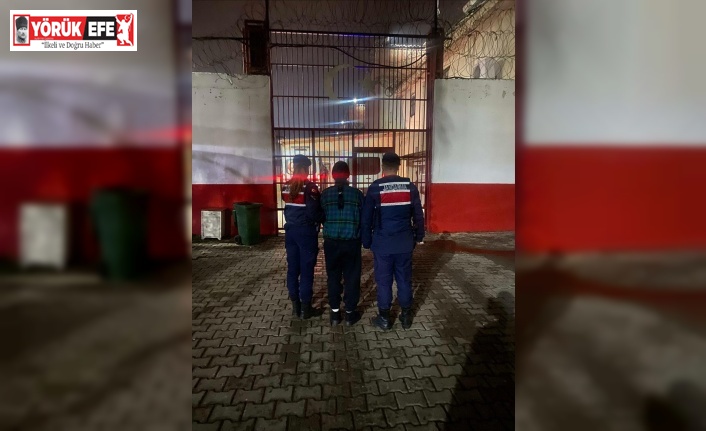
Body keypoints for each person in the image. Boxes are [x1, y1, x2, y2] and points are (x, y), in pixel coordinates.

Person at [361, 152, 425, 330]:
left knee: (384, 281)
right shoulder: (410, 187)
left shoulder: (375, 187)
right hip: (404, 242)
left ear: (383, 166)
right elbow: (418, 215)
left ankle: (384, 318)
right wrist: (419, 236)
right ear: (398, 166)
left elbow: (366, 218)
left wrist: (366, 241)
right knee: (404, 279)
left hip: (382, 243)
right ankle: (406, 317)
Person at [320, 161, 364, 326]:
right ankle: (350, 314)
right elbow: (364, 218)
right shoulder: (357, 194)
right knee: (352, 277)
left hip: (331, 243)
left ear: (333, 175)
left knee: (333, 277)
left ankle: (335, 314)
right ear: (348, 175)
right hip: (352, 243)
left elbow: (321, 216)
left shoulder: (325, 195)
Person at [282, 155, 324, 319]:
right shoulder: (310, 188)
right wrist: (323, 217)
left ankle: (295, 306)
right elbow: (313, 213)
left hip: (290, 232)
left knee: (293, 269)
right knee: (306, 270)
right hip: (306, 233)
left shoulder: (286, 186)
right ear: (306, 169)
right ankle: (306, 308)